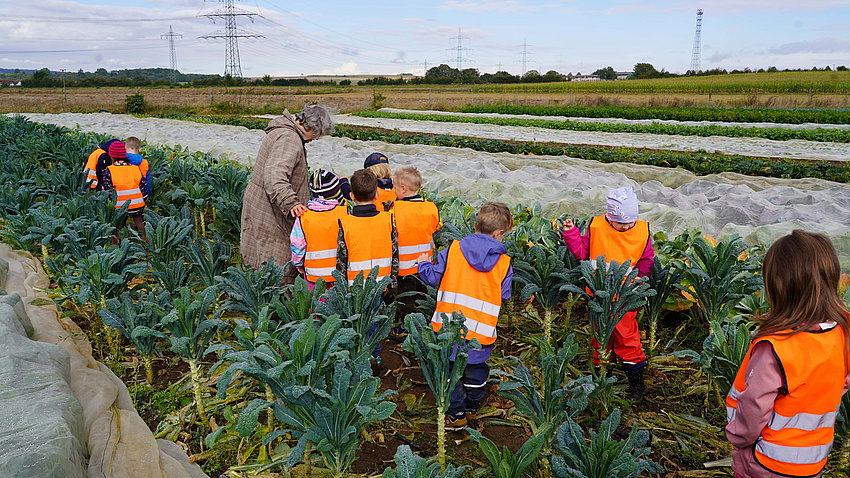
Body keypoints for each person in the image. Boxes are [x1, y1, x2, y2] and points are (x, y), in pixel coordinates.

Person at [726, 230, 850, 478]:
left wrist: (738, 436)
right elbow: (842, 383)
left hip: (766, 461)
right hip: (813, 459)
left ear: (778, 287)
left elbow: (754, 407)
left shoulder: (775, 347)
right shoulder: (842, 331)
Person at [417, 201, 513, 431]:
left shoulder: (452, 250)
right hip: (480, 334)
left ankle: (456, 415)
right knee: (476, 371)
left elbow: (432, 278)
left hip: (449, 330)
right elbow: (505, 294)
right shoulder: (504, 263)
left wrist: (422, 265)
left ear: (474, 224)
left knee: (449, 374)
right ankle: (472, 407)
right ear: (499, 233)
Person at [561, 186, 653, 401]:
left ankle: (636, 385)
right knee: (601, 338)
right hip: (599, 296)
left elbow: (647, 259)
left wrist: (642, 277)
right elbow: (582, 253)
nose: (626, 226)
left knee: (628, 340)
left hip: (625, 298)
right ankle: (601, 378)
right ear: (609, 217)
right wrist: (571, 234)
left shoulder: (642, 231)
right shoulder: (597, 226)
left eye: (630, 221)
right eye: (620, 222)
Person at [240, 104, 335, 280]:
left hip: (263, 202)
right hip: (269, 209)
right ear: (312, 127)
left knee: (262, 257)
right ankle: (276, 303)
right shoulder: (289, 139)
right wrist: (292, 202)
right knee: (277, 261)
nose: (315, 139)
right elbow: (274, 177)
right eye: (317, 135)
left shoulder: (285, 132)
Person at [391, 166, 442, 333]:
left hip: (404, 267)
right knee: (421, 295)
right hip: (425, 264)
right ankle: (423, 321)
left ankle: (407, 326)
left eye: (395, 187)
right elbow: (437, 227)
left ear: (403, 189)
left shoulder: (395, 210)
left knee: (405, 297)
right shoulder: (431, 207)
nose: (394, 190)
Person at [336, 168, 398, 287]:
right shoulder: (388, 219)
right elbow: (395, 255)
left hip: (355, 286)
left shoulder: (345, 222)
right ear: (377, 194)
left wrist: (341, 289)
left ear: (352, 196)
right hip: (382, 284)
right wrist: (393, 285)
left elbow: (341, 260)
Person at [290, 169, 347, 290]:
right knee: (339, 306)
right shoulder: (344, 213)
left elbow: (297, 244)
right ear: (337, 193)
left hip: (313, 274)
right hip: (340, 273)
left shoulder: (303, 216)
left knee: (315, 305)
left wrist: (298, 264)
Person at [101, 141, 147, 239]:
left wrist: (110, 203)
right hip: (137, 203)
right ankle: (146, 242)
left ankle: (116, 242)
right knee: (139, 222)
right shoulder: (135, 168)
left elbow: (108, 189)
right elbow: (143, 184)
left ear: (111, 156)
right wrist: (143, 197)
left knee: (119, 223)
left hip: (120, 205)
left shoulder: (109, 170)